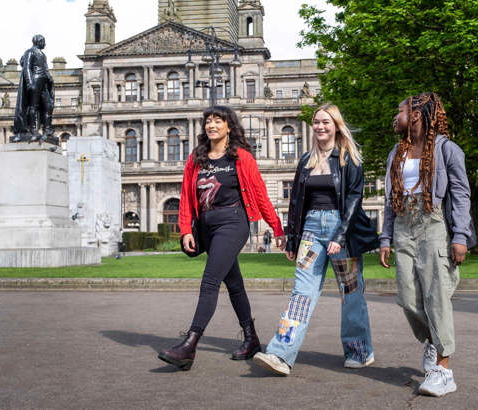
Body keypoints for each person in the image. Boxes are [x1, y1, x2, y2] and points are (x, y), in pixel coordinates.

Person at [253, 104, 379, 376]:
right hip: (311, 230)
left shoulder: (350, 158)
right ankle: (280, 354)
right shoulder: (306, 161)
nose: (320, 126)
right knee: (302, 293)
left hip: (340, 229)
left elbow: (355, 200)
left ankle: (359, 351)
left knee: (351, 293)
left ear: (336, 125)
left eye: (326, 122)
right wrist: (292, 238)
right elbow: (296, 202)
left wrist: (340, 235)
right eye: (316, 122)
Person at [158, 106, 285, 371]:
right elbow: (185, 197)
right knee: (235, 284)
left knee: (210, 281)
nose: (211, 125)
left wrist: (277, 229)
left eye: (218, 120)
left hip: (232, 222)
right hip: (206, 226)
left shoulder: (241, 157)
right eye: (208, 121)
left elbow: (260, 194)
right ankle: (251, 339)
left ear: (229, 126)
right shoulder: (196, 158)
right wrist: (185, 229)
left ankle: (189, 346)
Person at [379, 93, 473, 397]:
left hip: (433, 223)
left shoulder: (447, 149)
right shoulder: (397, 152)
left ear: (417, 115)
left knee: (437, 297)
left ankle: (444, 370)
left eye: (400, 111)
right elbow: (388, 200)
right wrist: (385, 238)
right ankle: (432, 342)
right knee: (407, 297)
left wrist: (460, 235)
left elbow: (460, 194)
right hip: (404, 224)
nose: (395, 117)